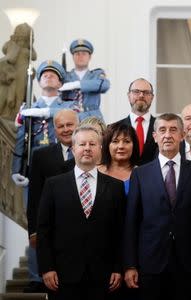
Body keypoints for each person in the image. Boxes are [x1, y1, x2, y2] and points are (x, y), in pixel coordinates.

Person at [123, 113, 191, 300]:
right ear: (154, 136)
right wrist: (130, 265)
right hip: (151, 263)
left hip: (190, 262)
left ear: (183, 135)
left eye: (173, 130)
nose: (167, 135)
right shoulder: (140, 174)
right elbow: (132, 222)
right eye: (162, 130)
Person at [37, 126, 125, 300]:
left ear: (100, 149)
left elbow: (120, 231)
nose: (87, 148)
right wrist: (47, 268)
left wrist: (118, 267)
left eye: (92, 144)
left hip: (104, 275)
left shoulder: (115, 186)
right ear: (73, 149)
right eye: (82, 144)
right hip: (62, 274)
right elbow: (44, 230)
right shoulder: (53, 185)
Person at [24, 109, 79, 293]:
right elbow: (34, 198)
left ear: (78, 125)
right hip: (53, 231)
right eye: (60, 126)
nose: (65, 129)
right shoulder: (41, 155)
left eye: (69, 124)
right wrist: (33, 231)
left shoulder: (92, 151)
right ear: (54, 130)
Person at [11, 60, 76, 186]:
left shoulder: (70, 105)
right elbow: (20, 140)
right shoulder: (28, 108)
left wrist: (43, 112)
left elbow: (73, 114)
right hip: (34, 162)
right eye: (44, 75)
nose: (48, 77)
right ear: (39, 82)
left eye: (52, 75)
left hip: (63, 160)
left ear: (60, 83)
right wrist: (16, 170)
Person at [59, 39, 110, 120]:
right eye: (77, 54)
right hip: (71, 117)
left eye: (84, 54)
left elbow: (105, 85)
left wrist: (77, 85)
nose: (80, 57)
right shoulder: (66, 76)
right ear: (73, 57)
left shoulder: (96, 74)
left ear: (89, 57)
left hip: (93, 117)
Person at [113, 78, 157, 165]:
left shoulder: (162, 128)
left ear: (152, 97)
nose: (141, 95)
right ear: (129, 96)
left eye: (146, 92)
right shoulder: (114, 128)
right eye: (136, 91)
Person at [98, 122, 139, 195]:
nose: (121, 146)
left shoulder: (142, 174)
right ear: (107, 145)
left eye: (126, 141)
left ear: (134, 145)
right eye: (115, 141)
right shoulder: (96, 173)